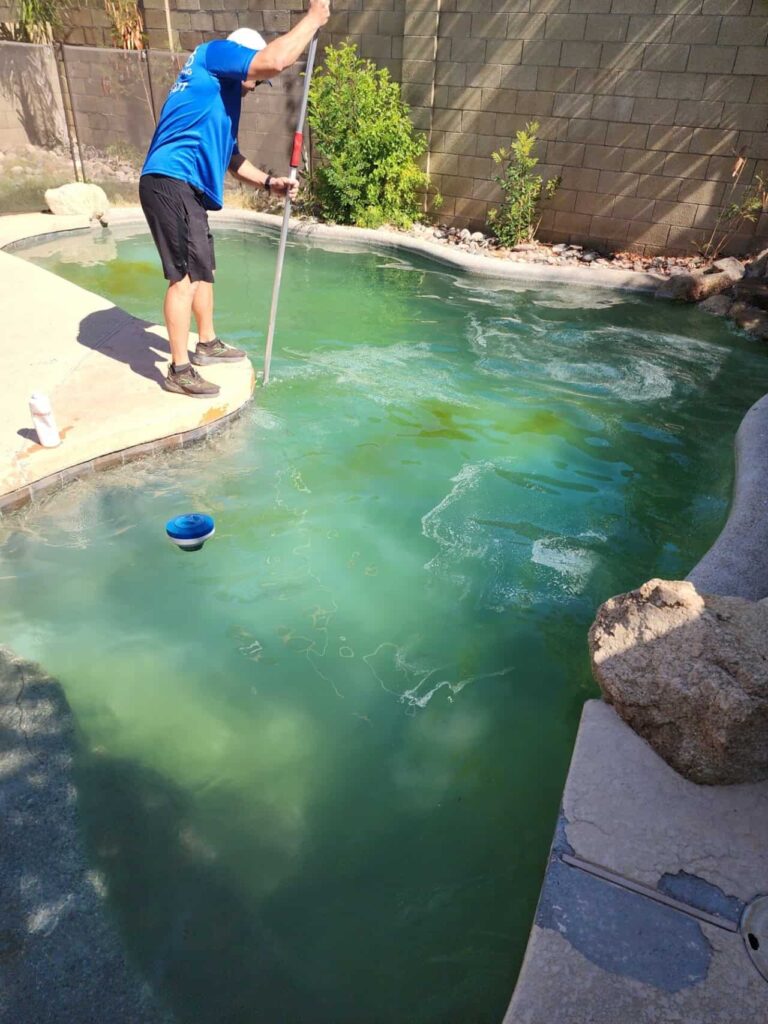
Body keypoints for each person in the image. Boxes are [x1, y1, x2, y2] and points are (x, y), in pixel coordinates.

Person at [139, 0, 331, 398]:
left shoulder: (220, 103)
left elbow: (231, 158)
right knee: (185, 276)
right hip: (170, 179)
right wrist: (313, 18)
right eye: (255, 80)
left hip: (186, 186)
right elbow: (275, 60)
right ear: (242, 61)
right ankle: (178, 369)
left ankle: (206, 343)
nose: (257, 86)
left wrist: (269, 183)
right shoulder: (214, 55)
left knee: (202, 269)